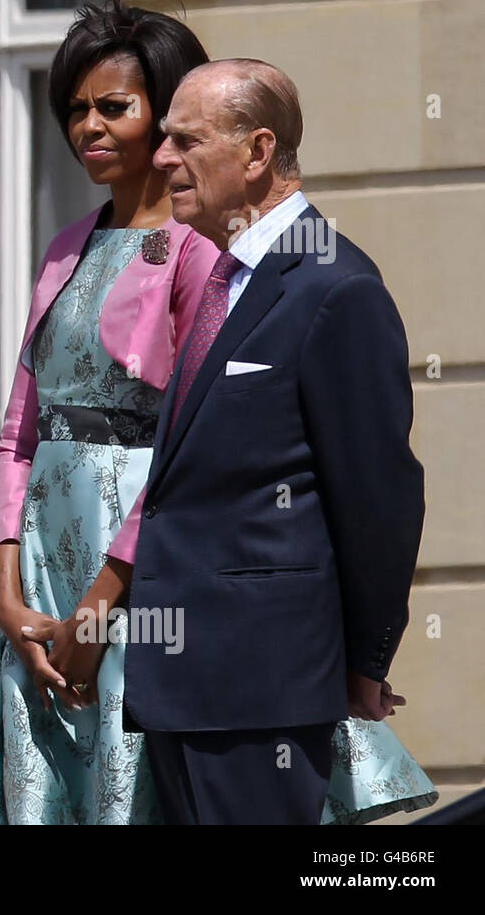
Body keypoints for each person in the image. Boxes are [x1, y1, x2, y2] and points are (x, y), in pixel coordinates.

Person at [116, 58, 434, 824]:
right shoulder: (225, 281)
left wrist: (362, 661)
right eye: (163, 140)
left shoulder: (337, 288)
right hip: (179, 689)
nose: (161, 159)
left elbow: (378, 499)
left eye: (186, 141)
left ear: (257, 153)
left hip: (261, 690)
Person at [0, 0, 219, 824]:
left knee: (131, 771)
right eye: (75, 109)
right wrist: (8, 590)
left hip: (137, 564)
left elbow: (190, 446)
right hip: (44, 552)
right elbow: (18, 429)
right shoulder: (63, 246)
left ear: (166, 112)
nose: (88, 127)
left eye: (113, 106)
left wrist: (99, 606)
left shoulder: (198, 255)